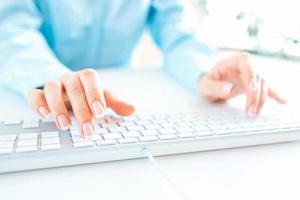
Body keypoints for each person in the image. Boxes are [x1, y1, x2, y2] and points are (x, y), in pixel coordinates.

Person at [0, 0, 285, 137]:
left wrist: (207, 72)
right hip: (35, 94)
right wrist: (48, 78)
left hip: (118, 101)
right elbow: (11, 29)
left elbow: (178, 34)